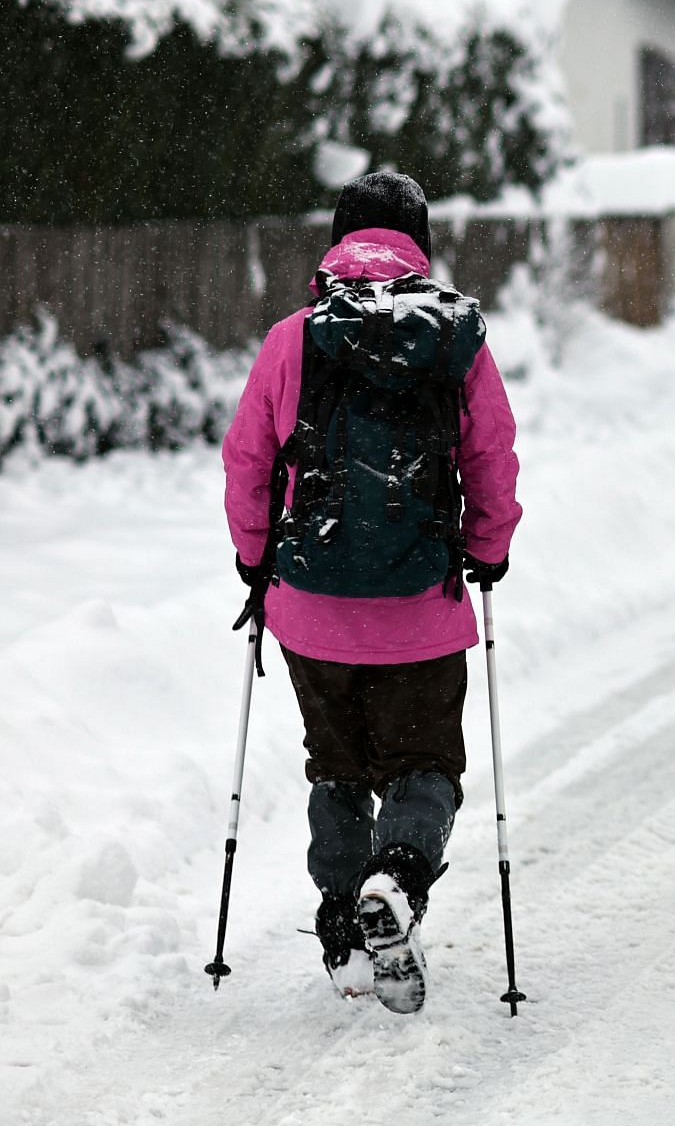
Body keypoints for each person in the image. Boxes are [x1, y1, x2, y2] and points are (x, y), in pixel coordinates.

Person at [222, 171, 522, 1012]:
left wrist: (256, 562)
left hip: (311, 609)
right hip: (421, 608)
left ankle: (343, 927)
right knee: (425, 764)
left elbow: (248, 461)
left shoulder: (292, 339)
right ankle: (395, 878)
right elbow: (491, 455)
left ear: (336, 239)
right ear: (419, 243)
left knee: (340, 768)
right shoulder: (454, 338)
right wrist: (488, 549)